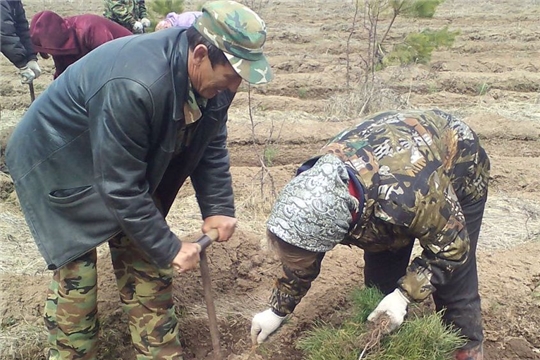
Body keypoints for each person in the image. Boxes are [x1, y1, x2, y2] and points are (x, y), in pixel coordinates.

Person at [6, 1, 272, 359]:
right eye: (232, 75)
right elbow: (121, 187)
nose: (235, 86)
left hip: (115, 155)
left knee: (147, 260)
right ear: (200, 54)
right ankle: (72, 352)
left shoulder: (215, 86)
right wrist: (170, 246)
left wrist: (218, 207)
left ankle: (160, 351)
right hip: (57, 157)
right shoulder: (136, 84)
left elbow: (210, 145)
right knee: (79, 277)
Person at [250, 109, 490, 360]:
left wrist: (403, 295)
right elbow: (302, 248)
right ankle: (395, 348)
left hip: (458, 162)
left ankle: (466, 349)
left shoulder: (405, 196)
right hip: (386, 184)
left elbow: (453, 246)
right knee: (380, 283)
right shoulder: (313, 194)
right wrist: (278, 310)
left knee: (454, 284)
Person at [30, 11, 132, 79]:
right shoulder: (59, 44)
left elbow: (109, 67)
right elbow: (63, 75)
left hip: (130, 59)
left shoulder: (90, 29)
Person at [1, 0, 41, 84]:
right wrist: (22, 64)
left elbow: (22, 29)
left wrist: (31, 57)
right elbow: (4, 35)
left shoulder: (14, 2)